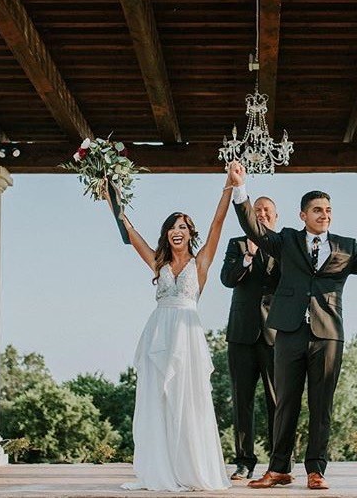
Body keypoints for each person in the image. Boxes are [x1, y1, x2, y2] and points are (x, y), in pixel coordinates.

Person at [227, 161, 357, 490]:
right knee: (285, 403)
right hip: (289, 332)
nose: (325, 215)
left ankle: (316, 470)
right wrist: (240, 189)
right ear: (303, 215)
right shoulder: (287, 240)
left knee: (322, 405)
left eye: (329, 210)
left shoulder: (347, 247)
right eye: (318, 210)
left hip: (328, 335)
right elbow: (255, 229)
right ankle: (278, 469)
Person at [115, 176, 234, 492]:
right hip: (159, 334)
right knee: (159, 401)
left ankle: (191, 468)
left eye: (183, 226)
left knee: (188, 401)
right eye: (173, 226)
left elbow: (217, 222)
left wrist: (229, 185)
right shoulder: (158, 261)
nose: (177, 231)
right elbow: (130, 232)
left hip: (188, 335)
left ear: (189, 233)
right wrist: (110, 193)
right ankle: (161, 468)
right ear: (167, 233)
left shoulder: (202, 261)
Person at [220, 196, 280, 481]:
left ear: (276, 217)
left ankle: (280, 463)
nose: (263, 214)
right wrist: (249, 255)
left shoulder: (285, 245)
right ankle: (244, 462)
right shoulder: (237, 244)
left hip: (275, 335)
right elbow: (227, 279)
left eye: (268, 211)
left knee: (277, 401)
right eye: (258, 211)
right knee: (241, 400)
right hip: (241, 334)